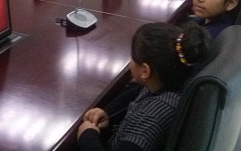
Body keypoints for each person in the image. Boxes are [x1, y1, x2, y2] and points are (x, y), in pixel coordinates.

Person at [77, 22, 210, 151]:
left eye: (133, 57)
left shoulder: (147, 123)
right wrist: (108, 113)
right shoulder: (172, 81)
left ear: (145, 71)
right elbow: (137, 91)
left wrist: (87, 136)